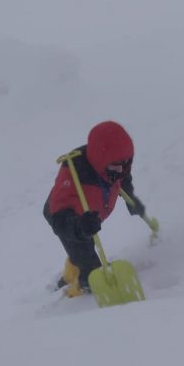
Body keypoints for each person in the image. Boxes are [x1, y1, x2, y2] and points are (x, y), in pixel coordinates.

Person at [43, 121, 147, 297]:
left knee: (84, 252)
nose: (121, 170)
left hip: (90, 214)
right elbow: (58, 218)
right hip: (68, 218)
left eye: (125, 163)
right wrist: (79, 227)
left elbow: (123, 178)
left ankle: (72, 269)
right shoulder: (74, 172)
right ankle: (77, 290)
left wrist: (130, 198)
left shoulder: (115, 167)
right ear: (101, 160)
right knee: (91, 272)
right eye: (116, 165)